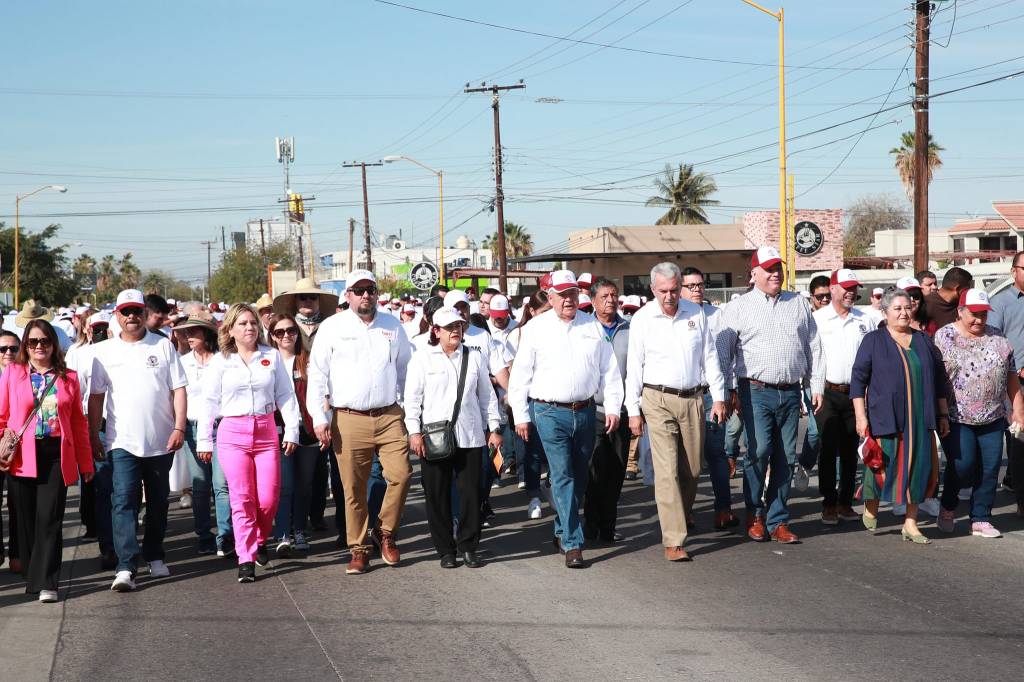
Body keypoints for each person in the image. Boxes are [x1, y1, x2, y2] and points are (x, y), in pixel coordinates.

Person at [508, 270, 623, 569]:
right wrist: (520, 415)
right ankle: (573, 542)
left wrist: (612, 406)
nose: (569, 299)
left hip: (585, 411)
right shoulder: (535, 328)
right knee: (562, 475)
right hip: (548, 412)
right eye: (562, 294)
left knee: (580, 476)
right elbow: (520, 374)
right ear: (550, 297)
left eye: (573, 293)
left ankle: (561, 527)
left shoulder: (591, 326)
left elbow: (608, 370)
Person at [307, 270, 412, 575]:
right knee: (353, 488)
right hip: (348, 417)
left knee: (402, 475)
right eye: (359, 290)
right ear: (348, 295)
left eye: (371, 289)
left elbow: (405, 370)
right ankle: (359, 548)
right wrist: (319, 417)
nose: (366, 295)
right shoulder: (332, 327)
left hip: (390, 414)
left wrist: (408, 411)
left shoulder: (393, 325)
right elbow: (317, 375)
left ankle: (385, 531)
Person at [717, 246, 823, 544]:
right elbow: (724, 354)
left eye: (778, 267)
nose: (775, 273)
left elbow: (814, 346)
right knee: (759, 451)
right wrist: (728, 391)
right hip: (755, 391)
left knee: (786, 458)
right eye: (768, 268)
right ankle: (755, 513)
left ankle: (778, 520)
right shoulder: (738, 307)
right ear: (754, 274)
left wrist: (816, 386)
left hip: (790, 392)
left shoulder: (798, 304)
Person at [88, 289, 188, 592]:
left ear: (144, 313)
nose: (131, 317)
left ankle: (155, 554)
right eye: (125, 312)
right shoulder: (104, 352)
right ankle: (126, 566)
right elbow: (96, 398)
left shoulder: (163, 345)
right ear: (116, 316)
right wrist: (94, 436)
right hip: (121, 442)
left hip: (160, 440)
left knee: (158, 500)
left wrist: (179, 428)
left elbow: (179, 389)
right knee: (123, 502)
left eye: (136, 311)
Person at [626, 264, 727, 561]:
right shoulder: (643, 319)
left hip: (693, 398)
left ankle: (680, 515)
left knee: (692, 469)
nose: (669, 297)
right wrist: (634, 411)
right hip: (656, 399)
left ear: (680, 286)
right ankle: (673, 539)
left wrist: (719, 398)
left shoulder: (695, 314)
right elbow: (635, 366)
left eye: (673, 290)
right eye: (663, 291)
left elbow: (710, 356)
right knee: (667, 471)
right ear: (653, 289)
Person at [197, 304, 300, 583]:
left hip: (266, 432)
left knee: (267, 499)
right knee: (241, 498)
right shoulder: (221, 361)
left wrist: (292, 430)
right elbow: (208, 402)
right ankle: (246, 558)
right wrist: (204, 439)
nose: (249, 328)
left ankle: (258, 537)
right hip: (232, 433)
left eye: (253, 323)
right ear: (230, 329)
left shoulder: (271, 356)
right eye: (242, 323)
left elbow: (286, 395)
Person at [0, 320, 93, 603]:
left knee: (50, 519)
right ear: (26, 346)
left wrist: (85, 462)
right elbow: (2, 417)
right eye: (33, 342)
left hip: (56, 455)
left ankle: (48, 582)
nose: (39, 347)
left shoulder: (70, 378)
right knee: (27, 522)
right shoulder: (12, 374)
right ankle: (33, 572)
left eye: (45, 341)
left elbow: (78, 422)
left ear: (54, 344)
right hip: (22, 456)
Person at [851, 288, 951, 544]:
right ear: (885, 312)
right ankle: (871, 502)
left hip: (920, 417)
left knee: (919, 468)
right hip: (886, 415)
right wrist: (861, 417)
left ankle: (911, 522)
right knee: (882, 463)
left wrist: (942, 414)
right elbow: (858, 380)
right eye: (897, 308)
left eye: (907, 307)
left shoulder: (923, 340)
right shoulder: (874, 340)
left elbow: (940, 380)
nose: (904, 313)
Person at [404, 308, 501, 568]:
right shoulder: (422, 359)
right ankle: (445, 549)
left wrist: (494, 427)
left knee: (471, 493)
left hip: (470, 435)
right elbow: (412, 399)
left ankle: (469, 546)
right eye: (449, 327)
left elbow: (487, 396)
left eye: (459, 325)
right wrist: (414, 431)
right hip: (434, 437)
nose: (456, 330)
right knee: (437, 494)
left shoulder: (475, 358)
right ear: (436, 330)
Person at [935, 289, 1024, 538]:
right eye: (974, 314)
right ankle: (949, 505)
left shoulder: (998, 338)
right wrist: (939, 413)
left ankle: (981, 517)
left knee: (990, 468)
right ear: (961, 311)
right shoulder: (944, 337)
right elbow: (936, 378)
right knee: (962, 465)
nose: (979, 320)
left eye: (983, 315)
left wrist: (1018, 409)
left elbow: (1011, 377)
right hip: (956, 416)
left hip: (993, 416)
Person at [680, 267, 738, 530]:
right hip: (685, 397)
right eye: (691, 286)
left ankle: (723, 509)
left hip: (713, 395)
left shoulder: (719, 316)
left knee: (717, 453)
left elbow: (731, 358)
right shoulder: (676, 317)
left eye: (700, 285)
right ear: (680, 289)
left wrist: (730, 391)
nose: (697, 290)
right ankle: (684, 511)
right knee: (687, 458)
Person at [813, 269, 871, 525]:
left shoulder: (865, 319)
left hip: (856, 394)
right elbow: (810, 355)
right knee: (828, 446)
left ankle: (845, 502)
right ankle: (828, 502)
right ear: (833, 288)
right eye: (846, 287)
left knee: (851, 449)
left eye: (854, 288)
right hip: (827, 391)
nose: (851, 292)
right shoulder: (817, 319)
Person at [175, 311, 233, 557]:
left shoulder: (224, 360)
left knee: (221, 485)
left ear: (207, 333)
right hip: (192, 428)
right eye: (187, 331)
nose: (189, 336)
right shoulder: (182, 362)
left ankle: (225, 536)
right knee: (199, 485)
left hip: (220, 427)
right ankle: (204, 535)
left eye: (194, 331)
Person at [268, 313, 323, 557]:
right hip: (279, 431)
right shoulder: (267, 361)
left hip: (308, 431)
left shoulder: (308, 361)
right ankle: (282, 534)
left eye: (291, 330)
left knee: (304, 486)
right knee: (285, 485)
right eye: (280, 332)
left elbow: (322, 395)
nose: (287, 335)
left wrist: (325, 423)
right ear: (272, 336)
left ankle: (299, 530)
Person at [582, 278, 631, 543]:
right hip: (592, 410)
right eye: (604, 296)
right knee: (594, 472)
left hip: (622, 411)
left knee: (616, 471)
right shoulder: (584, 329)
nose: (610, 300)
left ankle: (608, 528)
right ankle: (590, 526)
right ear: (593, 301)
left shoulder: (629, 329)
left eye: (614, 295)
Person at [989, 251, 1024, 518]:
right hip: (1015, 381)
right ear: (1014, 271)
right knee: (1018, 440)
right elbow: (993, 344)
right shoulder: (1000, 303)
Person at [0, 330, 21, 572]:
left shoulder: (28, 375)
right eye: (3, 349)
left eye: (14, 349)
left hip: (19, 450)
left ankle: (17, 553)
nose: (8, 353)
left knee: (18, 504)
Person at [273, 277, 340, 345]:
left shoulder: (330, 325)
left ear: (319, 300)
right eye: (303, 297)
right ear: (295, 301)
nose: (308, 301)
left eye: (313, 296)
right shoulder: (285, 326)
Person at [924, 266, 973, 335]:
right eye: (966, 289)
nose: (968, 293)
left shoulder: (963, 307)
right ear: (958, 289)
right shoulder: (926, 304)